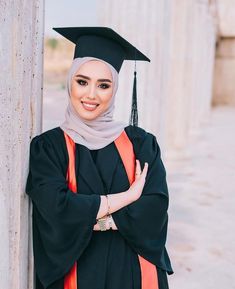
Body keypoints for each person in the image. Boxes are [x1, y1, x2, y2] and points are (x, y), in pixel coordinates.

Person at [26, 27, 173, 289]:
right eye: (82, 81)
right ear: (70, 81)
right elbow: (55, 209)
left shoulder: (141, 143)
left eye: (103, 85)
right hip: (76, 272)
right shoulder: (49, 147)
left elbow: (154, 208)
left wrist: (91, 216)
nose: (91, 95)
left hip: (133, 273)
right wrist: (127, 198)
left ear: (114, 89)